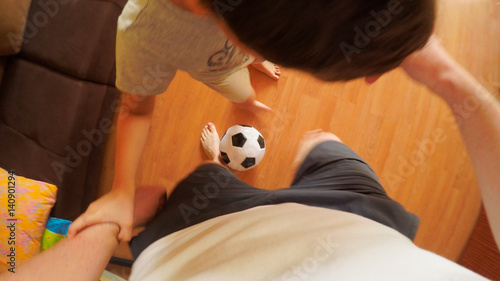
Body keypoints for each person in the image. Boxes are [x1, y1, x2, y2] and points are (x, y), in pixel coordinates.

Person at [4, 38, 497, 280]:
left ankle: (219, 157)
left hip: (210, 234)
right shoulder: (153, 31)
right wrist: (446, 77)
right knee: (320, 138)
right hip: (363, 219)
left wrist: (115, 219)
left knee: (209, 173)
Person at [67, 0, 436, 242]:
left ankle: (248, 90)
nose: (256, 51)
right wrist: (121, 189)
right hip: (210, 66)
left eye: (268, 49)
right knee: (234, 81)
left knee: (242, 90)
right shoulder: (144, 32)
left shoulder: (261, 24)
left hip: (226, 63)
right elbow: (137, 109)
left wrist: (253, 57)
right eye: (259, 45)